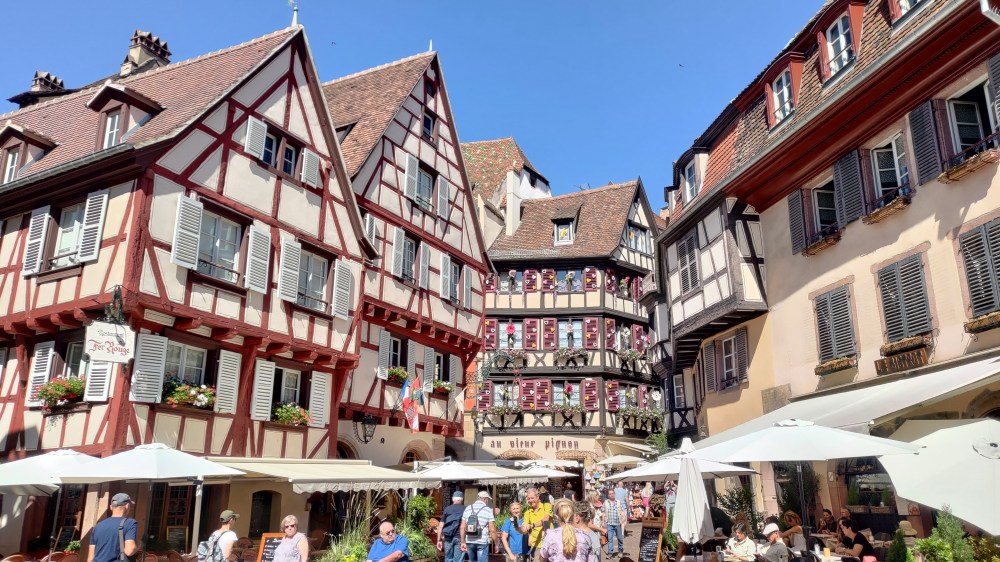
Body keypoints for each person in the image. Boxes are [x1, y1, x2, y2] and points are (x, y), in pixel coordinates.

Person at [88, 493, 138, 562]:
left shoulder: (97, 526)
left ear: (111, 507)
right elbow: (129, 551)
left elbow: (90, 558)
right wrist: (139, 544)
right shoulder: (129, 523)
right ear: (127, 506)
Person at [461, 490, 497, 562]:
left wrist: (462, 542)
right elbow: (492, 530)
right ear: (484, 499)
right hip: (482, 542)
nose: (487, 501)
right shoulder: (488, 510)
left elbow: (462, 527)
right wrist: (496, 544)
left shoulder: (467, 508)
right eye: (487, 499)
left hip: (469, 541)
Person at [521, 487, 553, 556]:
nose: (530, 500)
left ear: (538, 496)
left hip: (550, 544)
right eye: (528, 499)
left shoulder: (546, 506)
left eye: (532, 498)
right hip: (536, 546)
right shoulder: (527, 513)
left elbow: (546, 519)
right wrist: (521, 528)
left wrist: (532, 525)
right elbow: (525, 528)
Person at [437, 491, 466, 562]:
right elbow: (465, 526)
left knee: (448, 559)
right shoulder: (465, 509)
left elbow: (440, 526)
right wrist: (463, 541)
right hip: (459, 538)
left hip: (447, 538)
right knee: (458, 560)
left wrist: (439, 540)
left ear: (453, 499)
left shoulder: (447, 509)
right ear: (462, 499)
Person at [602, 489, 626, 557]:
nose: (611, 495)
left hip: (618, 523)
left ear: (614, 494)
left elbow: (621, 511)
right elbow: (603, 512)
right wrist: (603, 522)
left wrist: (623, 516)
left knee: (620, 538)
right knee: (610, 539)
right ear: (608, 495)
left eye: (612, 493)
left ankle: (620, 551)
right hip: (609, 523)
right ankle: (610, 552)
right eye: (610, 494)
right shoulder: (605, 502)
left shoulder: (618, 502)